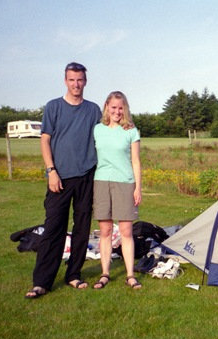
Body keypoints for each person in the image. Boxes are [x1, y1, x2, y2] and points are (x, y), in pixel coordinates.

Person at [25, 62, 102, 298]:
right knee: (53, 228)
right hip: (59, 177)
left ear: (85, 82)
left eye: (80, 80)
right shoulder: (53, 107)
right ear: (65, 81)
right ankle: (42, 282)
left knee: (82, 228)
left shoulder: (93, 110)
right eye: (71, 80)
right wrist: (51, 171)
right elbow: (45, 140)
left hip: (87, 175)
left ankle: (74, 275)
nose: (76, 84)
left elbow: (104, 137)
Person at [92, 91, 142, 290]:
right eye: (113, 107)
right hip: (102, 182)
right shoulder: (97, 129)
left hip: (125, 183)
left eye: (121, 108)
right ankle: (105, 273)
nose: (117, 111)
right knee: (105, 230)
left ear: (125, 109)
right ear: (106, 107)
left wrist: (138, 187)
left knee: (126, 231)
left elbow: (136, 161)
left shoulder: (131, 131)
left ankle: (130, 275)